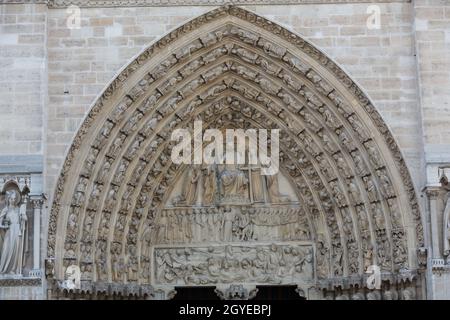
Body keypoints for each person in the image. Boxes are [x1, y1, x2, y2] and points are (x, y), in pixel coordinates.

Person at [0, 190, 27, 274]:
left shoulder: (19, 209)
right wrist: (5, 226)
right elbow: (0, 223)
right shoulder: (6, 209)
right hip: (9, 231)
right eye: (11, 199)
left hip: (17, 230)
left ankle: (13, 269)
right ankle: (3, 269)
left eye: (15, 199)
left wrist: (23, 215)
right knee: (7, 249)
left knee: (16, 250)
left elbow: (25, 219)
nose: (13, 200)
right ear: (8, 199)